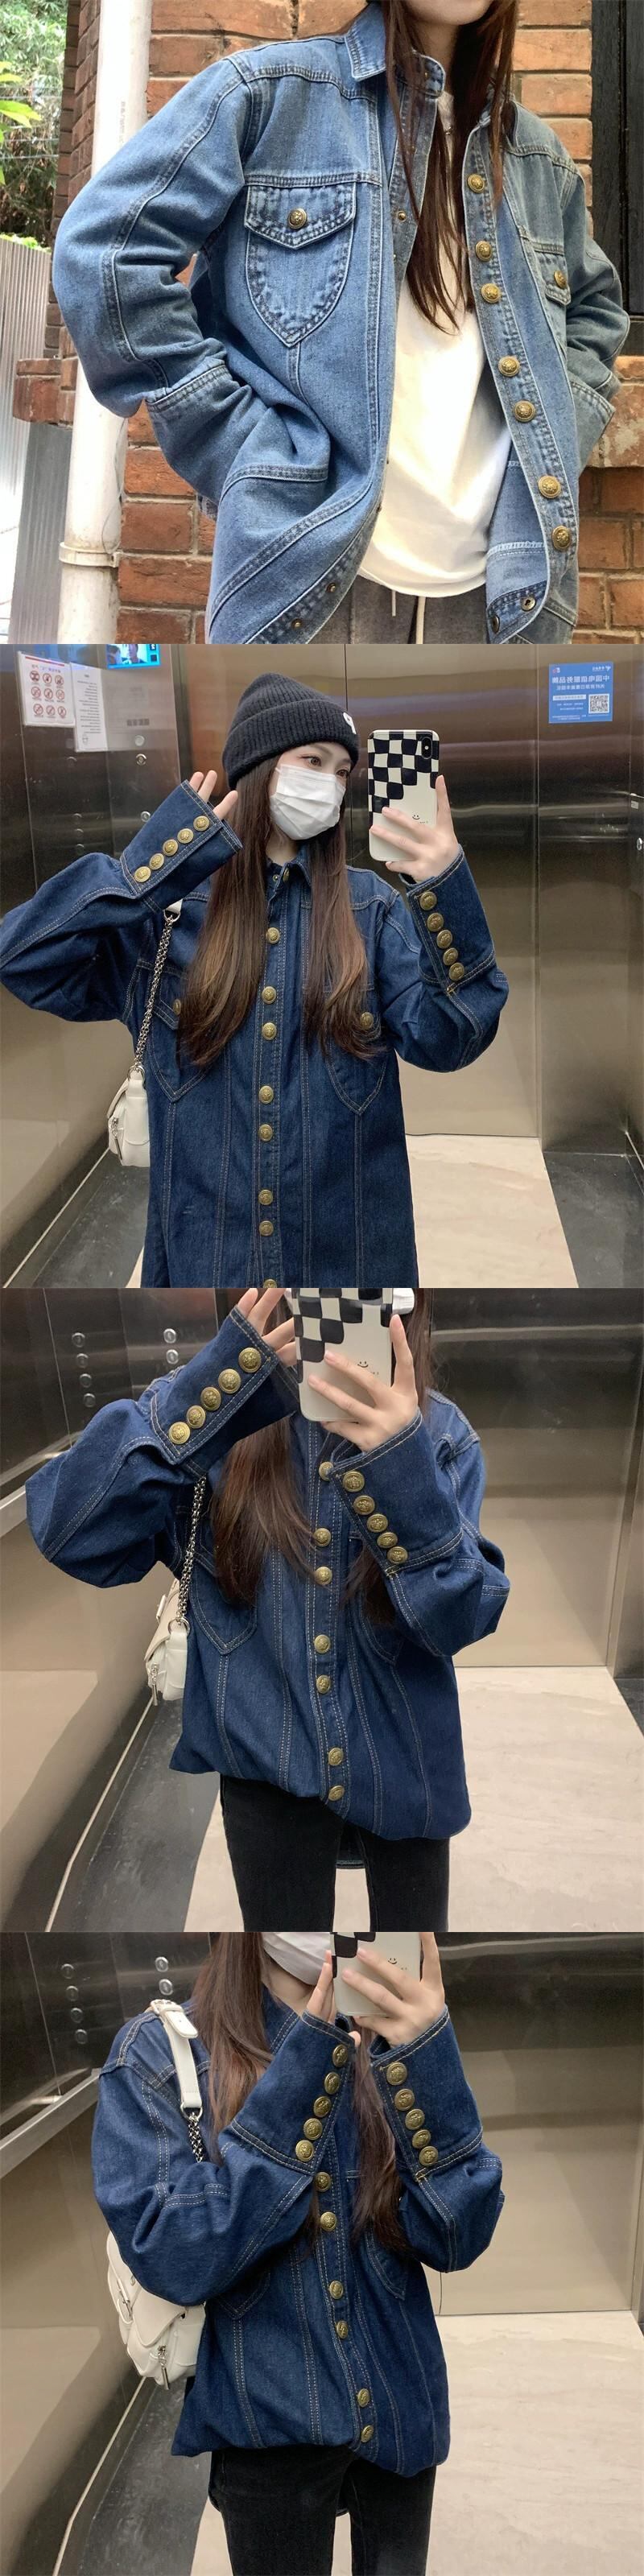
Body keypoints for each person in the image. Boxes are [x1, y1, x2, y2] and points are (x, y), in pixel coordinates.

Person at [52, 0, 627, 646]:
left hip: (503, 594)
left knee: (467, 724)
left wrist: (551, 439)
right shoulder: (267, 96)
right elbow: (106, 252)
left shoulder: (538, 160)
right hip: (303, 580)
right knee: (289, 724)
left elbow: (596, 313)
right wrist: (242, 446)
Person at [0, 673, 508, 1288]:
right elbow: (24, 960)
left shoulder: (370, 910)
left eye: (342, 771)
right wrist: (142, 875)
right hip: (206, 1269)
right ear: (259, 767)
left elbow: (452, 1038)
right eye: (312, 761)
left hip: (348, 1271)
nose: (329, 784)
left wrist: (445, 886)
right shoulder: (167, 913)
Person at [25, 1286, 510, 1929]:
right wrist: (212, 1393)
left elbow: (461, 1619)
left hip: (405, 1759)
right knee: (288, 1951)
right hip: (264, 1769)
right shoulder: (209, 1419)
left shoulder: (441, 1435)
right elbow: (71, 1533)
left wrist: (402, 1467)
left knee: (403, 1955)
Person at [92, 1931, 504, 2576]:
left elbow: (457, 2237)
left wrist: (427, 2056)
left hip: (399, 2405)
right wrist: (306, 2064)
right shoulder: (159, 2052)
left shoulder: (389, 2035)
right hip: (267, 2421)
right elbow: (174, 2256)